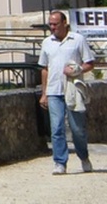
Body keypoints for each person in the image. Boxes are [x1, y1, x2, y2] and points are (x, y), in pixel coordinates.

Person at [39, 9, 95, 174]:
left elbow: (90, 63)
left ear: (64, 23)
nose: (52, 27)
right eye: (50, 24)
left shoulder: (78, 40)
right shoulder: (47, 42)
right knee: (56, 128)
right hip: (54, 90)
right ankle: (60, 162)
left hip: (72, 90)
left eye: (55, 24)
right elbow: (44, 68)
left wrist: (77, 70)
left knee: (77, 129)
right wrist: (44, 93)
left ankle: (83, 156)